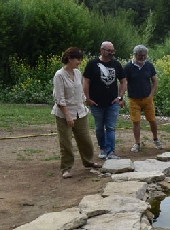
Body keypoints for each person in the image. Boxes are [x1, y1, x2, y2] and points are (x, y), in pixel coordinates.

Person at [51, 47, 101, 179]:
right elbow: (59, 98)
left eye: (80, 59)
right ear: (69, 58)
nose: (79, 62)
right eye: (77, 59)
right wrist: (67, 115)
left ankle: (89, 161)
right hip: (63, 114)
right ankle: (66, 168)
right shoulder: (59, 75)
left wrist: (84, 104)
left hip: (80, 112)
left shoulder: (78, 73)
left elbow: (80, 92)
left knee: (85, 139)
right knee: (66, 142)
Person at [83, 41, 127, 160]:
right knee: (99, 127)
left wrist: (120, 97)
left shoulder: (116, 64)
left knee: (111, 127)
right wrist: (87, 98)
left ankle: (111, 151)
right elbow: (86, 81)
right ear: (102, 50)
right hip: (96, 102)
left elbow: (123, 81)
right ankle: (102, 148)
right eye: (109, 51)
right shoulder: (92, 64)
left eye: (112, 51)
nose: (111, 53)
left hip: (112, 102)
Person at [123, 45, 162, 152]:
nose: (143, 58)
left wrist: (151, 94)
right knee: (136, 121)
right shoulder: (128, 67)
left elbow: (154, 81)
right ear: (135, 55)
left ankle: (155, 139)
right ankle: (137, 143)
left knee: (152, 120)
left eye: (144, 56)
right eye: (140, 56)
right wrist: (121, 96)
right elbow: (123, 82)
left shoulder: (149, 65)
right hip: (133, 99)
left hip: (147, 98)